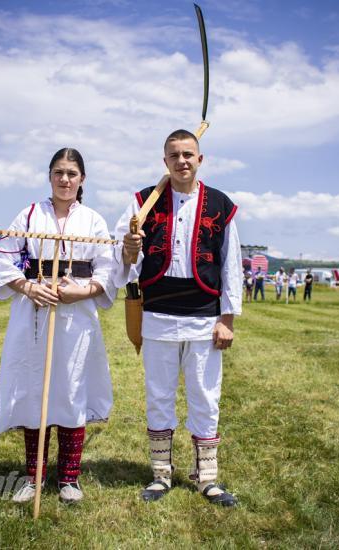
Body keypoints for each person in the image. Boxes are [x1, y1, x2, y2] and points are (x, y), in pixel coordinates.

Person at [115, 129, 241, 507]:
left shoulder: (220, 204)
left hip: (204, 317)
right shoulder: (143, 203)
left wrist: (228, 318)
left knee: (205, 395)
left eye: (189, 154)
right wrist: (128, 248)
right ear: (164, 161)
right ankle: (160, 475)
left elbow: (231, 264)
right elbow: (123, 260)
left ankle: (207, 478)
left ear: (200, 159)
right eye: (174, 155)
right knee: (159, 395)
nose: (182, 160)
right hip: (157, 315)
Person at [0, 147, 116, 505]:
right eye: (59, 172)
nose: (65, 179)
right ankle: (34, 477)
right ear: (49, 176)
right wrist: (28, 286)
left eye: (72, 174)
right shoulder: (29, 215)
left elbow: (107, 269)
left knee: (71, 386)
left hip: (77, 317)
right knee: (36, 389)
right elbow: (5, 258)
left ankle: (69, 479)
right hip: (33, 313)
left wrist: (85, 291)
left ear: (82, 180)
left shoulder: (93, 220)